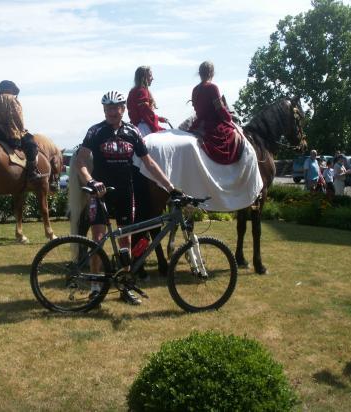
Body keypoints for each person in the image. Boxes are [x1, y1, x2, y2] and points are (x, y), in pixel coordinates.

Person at [75, 90, 180, 305]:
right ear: (104, 110)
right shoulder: (95, 132)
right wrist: (90, 181)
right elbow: (81, 160)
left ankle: (125, 287)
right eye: (108, 108)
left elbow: (149, 163)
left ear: (123, 109)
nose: (113, 112)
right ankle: (95, 287)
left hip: (125, 192)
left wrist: (170, 187)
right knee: (97, 240)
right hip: (100, 192)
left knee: (126, 241)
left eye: (117, 108)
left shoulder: (132, 132)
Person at [0, 80, 44, 181]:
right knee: (31, 144)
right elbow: (16, 118)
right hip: (4, 131)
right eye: (13, 91)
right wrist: (21, 131)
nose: (14, 94)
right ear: (9, 89)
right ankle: (32, 172)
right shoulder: (11, 99)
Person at [188, 61, 242, 165]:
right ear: (211, 73)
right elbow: (220, 108)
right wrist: (229, 118)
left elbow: (196, 108)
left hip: (198, 124)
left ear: (200, 73)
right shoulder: (212, 87)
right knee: (235, 135)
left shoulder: (195, 89)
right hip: (212, 125)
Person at [127, 66, 168, 137]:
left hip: (136, 126)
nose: (152, 78)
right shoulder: (142, 91)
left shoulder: (132, 91)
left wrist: (159, 118)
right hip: (144, 128)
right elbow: (145, 113)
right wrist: (156, 128)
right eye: (150, 76)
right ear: (144, 77)